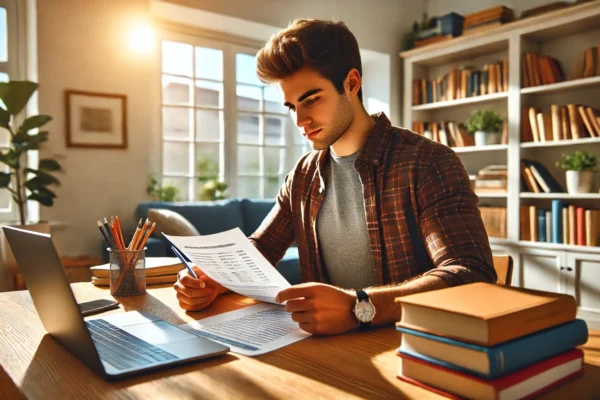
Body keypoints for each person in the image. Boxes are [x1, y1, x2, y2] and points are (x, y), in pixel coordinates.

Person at [174, 19, 496, 335]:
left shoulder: (427, 163)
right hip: (327, 351)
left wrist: (359, 306)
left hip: (410, 348)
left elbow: (471, 272)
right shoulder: (301, 176)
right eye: (291, 106)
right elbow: (263, 246)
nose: (300, 120)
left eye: (311, 99)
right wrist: (214, 279)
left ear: (352, 83)